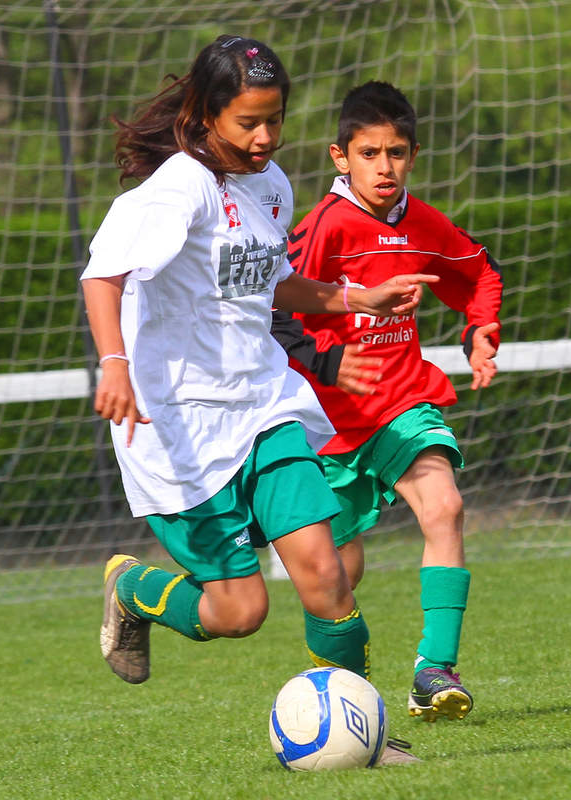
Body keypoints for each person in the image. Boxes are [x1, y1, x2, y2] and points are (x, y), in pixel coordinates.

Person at [81, 39, 434, 765]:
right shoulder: (177, 189)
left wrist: (351, 295)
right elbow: (102, 274)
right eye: (247, 122)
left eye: (274, 119)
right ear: (205, 115)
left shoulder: (270, 183)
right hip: (177, 424)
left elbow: (267, 281)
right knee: (240, 612)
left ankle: (364, 732)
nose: (265, 137)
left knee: (327, 570)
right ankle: (133, 589)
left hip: (263, 404)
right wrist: (113, 363)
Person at [271, 80, 503, 722]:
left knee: (445, 505)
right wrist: (327, 362)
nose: (385, 167)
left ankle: (434, 669)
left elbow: (478, 270)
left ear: (413, 154)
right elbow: (271, 308)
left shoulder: (423, 223)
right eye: (369, 153)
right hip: (325, 423)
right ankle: (338, 698)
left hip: (403, 401)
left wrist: (481, 328)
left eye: (396, 153)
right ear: (340, 157)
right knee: (336, 576)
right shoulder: (320, 228)